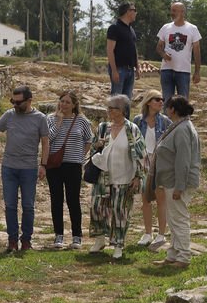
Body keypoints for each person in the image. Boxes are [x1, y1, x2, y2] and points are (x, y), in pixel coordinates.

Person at [0, 85, 50, 253]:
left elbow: (45, 142)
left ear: (29, 101)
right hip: (9, 168)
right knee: (10, 205)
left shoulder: (40, 118)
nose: (15, 105)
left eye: (18, 102)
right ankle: (12, 241)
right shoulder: (9, 115)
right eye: (13, 101)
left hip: (29, 169)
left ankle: (26, 240)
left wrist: (43, 165)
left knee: (28, 205)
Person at [88, 94, 147, 259]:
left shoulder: (132, 129)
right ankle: (99, 240)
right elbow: (93, 149)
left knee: (120, 212)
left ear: (121, 111)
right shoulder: (103, 127)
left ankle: (118, 244)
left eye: (111, 108)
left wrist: (138, 176)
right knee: (97, 208)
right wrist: (96, 145)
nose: (108, 111)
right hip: (103, 177)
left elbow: (142, 155)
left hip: (124, 178)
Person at [151, 95, 201, 269]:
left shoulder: (182, 129)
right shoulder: (179, 126)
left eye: (168, 106)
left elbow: (183, 160)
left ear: (173, 109)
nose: (165, 108)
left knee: (179, 219)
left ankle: (184, 257)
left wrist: (180, 186)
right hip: (171, 180)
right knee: (173, 219)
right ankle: (173, 254)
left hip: (178, 181)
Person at [45, 91, 95, 249]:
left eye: (67, 102)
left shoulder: (81, 121)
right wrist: (58, 123)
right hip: (54, 165)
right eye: (62, 101)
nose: (64, 104)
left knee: (73, 200)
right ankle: (58, 235)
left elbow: (89, 140)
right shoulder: (50, 119)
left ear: (74, 105)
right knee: (56, 200)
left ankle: (76, 236)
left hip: (73, 165)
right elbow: (47, 139)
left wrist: (81, 156)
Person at [133, 89, 170, 248]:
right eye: (157, 99)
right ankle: (148, 233)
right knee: (146, 199)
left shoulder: (165, 121)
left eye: (162, 99)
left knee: (161, 199)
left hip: (159, 161)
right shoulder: (138, 121)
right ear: (148, 102)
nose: (161, 102)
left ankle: (161, 234)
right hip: (142, 161)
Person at [156, 1, 202, 102]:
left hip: (183, 71)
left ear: (182, 12)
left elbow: (197, 51)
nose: (171, 13)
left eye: (174, 11)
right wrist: (163, 54)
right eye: (171, 10)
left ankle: (183, 119)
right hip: (166, 70)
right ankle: (167, 118)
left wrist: (197, 72)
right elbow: (159, 47)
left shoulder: (192, 29)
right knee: (167, 102)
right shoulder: (165, 27)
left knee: (183, 103)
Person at [106, 2, 139, 98]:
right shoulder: (114, 28)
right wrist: (114, 70)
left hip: (130, 70)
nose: (136, 13)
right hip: (119, 69)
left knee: (127, 101)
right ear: (128, 12)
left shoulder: (131, 30)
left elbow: (133, 48)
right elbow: (109, 50)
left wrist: (137, 67)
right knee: (116, 100)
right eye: (134, 10)